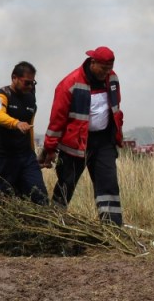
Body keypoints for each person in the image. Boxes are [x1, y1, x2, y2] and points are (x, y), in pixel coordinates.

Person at [39, 47, 124, 225]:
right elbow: (57, 120)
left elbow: (115, 109)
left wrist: (117, 136)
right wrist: (50, 148)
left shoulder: (112, 78)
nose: (106, 73)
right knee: (66, 184)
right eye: (103, 69)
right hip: (75, 145)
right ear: (92, 63)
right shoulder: (70, 84)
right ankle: (53, 224)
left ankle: (113, 229)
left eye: (109, 69)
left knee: (108, 185)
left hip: (104, 142)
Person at [0, 62, 48, 205]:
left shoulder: (31, 99)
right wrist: (16, 123)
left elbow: (30, 129)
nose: (30, 87)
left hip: (25, 157)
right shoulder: (2, 95)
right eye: (27, 83)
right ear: (14, 78)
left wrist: (33, 154)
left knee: (40, 197)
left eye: (33, 83)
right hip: (1, 157)